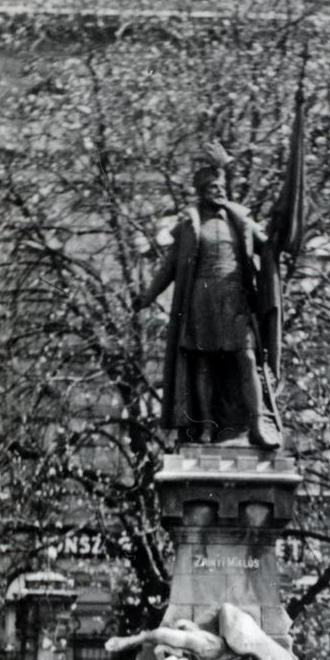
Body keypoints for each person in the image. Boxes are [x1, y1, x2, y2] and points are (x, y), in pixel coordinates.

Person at [132, 141, 284, 450]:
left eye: (222, 185)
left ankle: (257, 423)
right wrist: (146, 297)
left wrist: (286, 228)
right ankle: (203, 427)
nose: (220, 191)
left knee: (247, 357)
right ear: (202, 190)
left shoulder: (240, 219)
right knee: (202, 363)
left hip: (235, 299)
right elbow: (169, 268)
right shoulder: (190, 225)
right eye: (213, 186)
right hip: (201, 300)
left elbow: (269, 245)